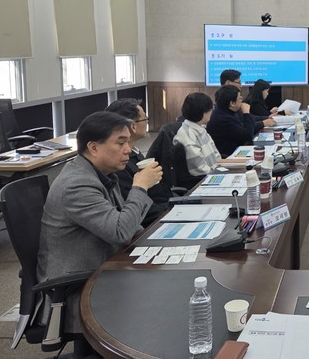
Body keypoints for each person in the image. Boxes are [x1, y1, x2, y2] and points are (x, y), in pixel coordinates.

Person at [37, 111, 162, 333]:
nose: (127, 149)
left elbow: (128, 224)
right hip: (78, 288)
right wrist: (140, 187)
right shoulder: (77, 185)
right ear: (93, 147)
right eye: (120, 143)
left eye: (128, 142)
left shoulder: (101, 173)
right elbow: (120, 232)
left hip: (103, 267)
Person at [105, 98, 171, 225]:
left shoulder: (135, 152)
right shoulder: (119, 164)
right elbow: (139, 211)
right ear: (133, 126)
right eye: (145, 119)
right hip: (152, 221)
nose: (147, 122)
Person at [173, 92, 221, 176]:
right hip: (203, 178)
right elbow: (200, 168)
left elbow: (216, 154)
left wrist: (220, 167)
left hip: (214, 171)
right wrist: (217, 172)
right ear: (201, 112)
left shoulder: (201, 128)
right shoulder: (187, 136)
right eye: (210, 109)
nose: (211, 111)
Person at [207, 84, 257, 157]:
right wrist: (246, 113)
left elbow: (245, 127)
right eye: (240, 98)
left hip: (237, 150)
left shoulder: (227, 111)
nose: (242, 100)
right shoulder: (223, 118)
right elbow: (247, 136)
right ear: (232, 103)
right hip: (229, 156)